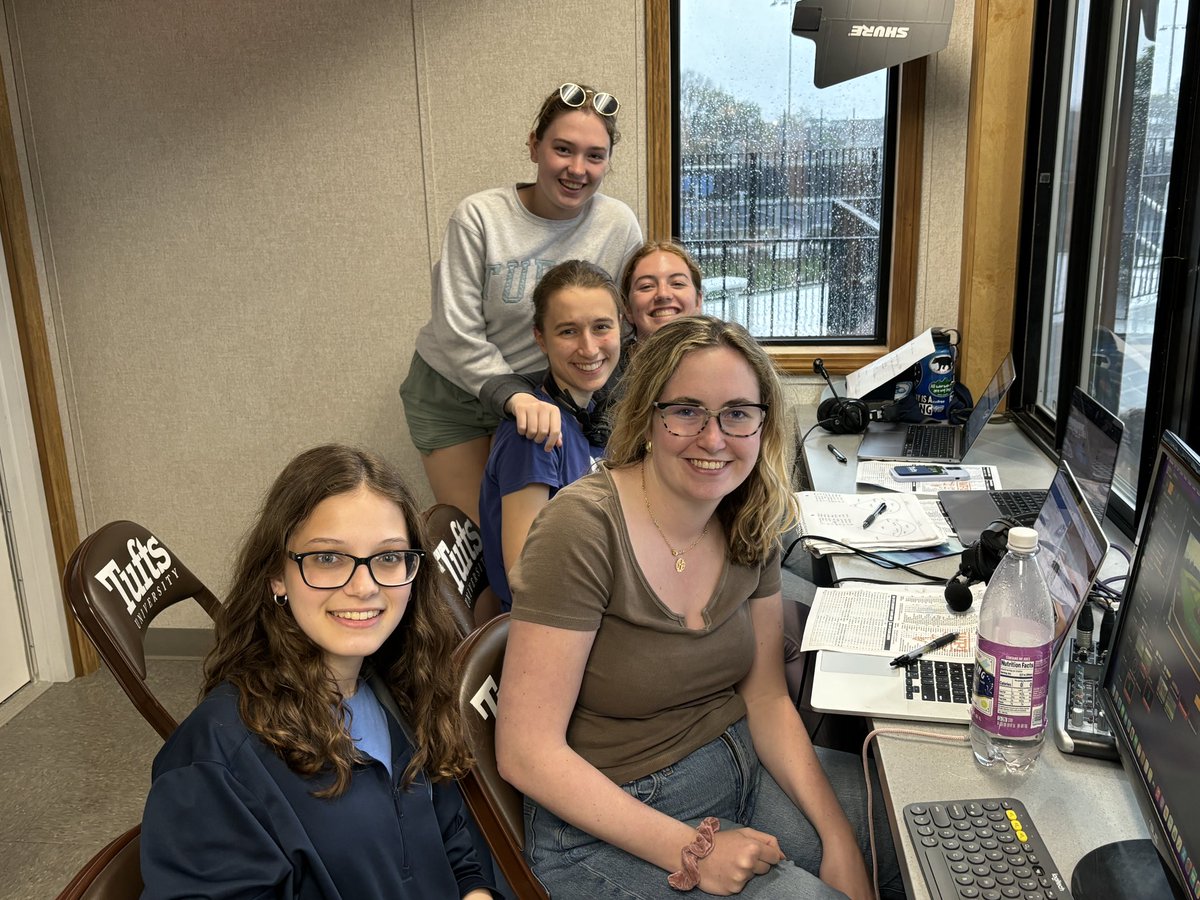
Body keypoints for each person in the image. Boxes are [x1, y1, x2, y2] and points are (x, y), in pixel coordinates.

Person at [495, 316, 903, 899]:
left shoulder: (749, 511)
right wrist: (695, 851)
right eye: (686, 411)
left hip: (740, 770)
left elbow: (764, 696)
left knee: (911, 829)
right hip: (611, 822)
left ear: (763, 424)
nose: (713, 439)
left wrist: (840, 839)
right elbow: (525, 753)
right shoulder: (581, 528)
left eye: (738, 413)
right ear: (648, 418)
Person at [140, 445, 498, 900]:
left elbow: (454, 841)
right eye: (328, 559)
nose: (364, 587)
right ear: (276, 575)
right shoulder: (216, 756)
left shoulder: (401, 683)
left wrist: (476, 892)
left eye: (388, 557)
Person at [400, 82, 642, 524]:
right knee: (486, 538)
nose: (577, 169)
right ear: (534, 146)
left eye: (594, 155)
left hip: (545, 395)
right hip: (455, 391)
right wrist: (513, 397)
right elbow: (457, 330)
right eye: (563, 149)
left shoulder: (617, 224)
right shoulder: (479, 217)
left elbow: (627, 322)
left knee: (560, 530)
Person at [479, 260, 620, 614]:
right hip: (554, 621)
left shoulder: (592, 417)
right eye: (568, 331)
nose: (589, 349)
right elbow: (524, 576)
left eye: (601, 327)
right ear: (540, 338)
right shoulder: (535, 433)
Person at [478, 239, 705, 452]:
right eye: (646, 286)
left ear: (698, 300)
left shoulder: (722, 361)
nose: (663, 294)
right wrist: (522, 401)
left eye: (677, 283)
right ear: (626, 310)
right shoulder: (605, 366)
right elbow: (502, 385)